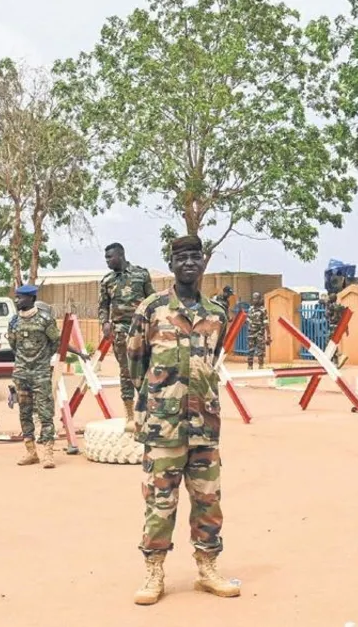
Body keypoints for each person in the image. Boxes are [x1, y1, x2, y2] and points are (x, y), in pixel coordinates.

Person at [125, 234, 240, 606]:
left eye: (195, 257)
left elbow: (212, 360)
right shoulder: (152, 308)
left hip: (204, 424)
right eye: (182, 258)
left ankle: (207, 568)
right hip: (163, 427)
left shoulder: (216, 313)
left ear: (203, 262)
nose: (189, 263)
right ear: (171, 264)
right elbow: (135, 361)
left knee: (208, 500)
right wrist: (157, 398)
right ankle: (154, 571)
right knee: (160, 502)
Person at [99, 242, 155, 418]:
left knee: (146, 368)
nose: (107, 261)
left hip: (142, 328)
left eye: (110, 257)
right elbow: (103, 305)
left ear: (120, 255)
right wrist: (104, 323)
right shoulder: (107, 280)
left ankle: (147, 408)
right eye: (106, 258)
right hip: (120, 330)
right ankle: (130, 413)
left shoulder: (141, 275)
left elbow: (152, 300)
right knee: (126, 371)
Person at [8, 284, 61, 469]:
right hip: (21, 373)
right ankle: (31, 452)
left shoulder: (45, 319)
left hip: (41, 373)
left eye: (20, 297)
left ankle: (48, 453)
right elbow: (13, 345)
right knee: (25, 413)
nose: (17, 300)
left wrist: (42, 359)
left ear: (31, 298)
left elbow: (55, 342)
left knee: (45, 413)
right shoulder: (14, 321)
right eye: (16, 297)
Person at [246, 291, 270, 370]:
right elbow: (248, 320)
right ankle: (250, 366)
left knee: (260, 351)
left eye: (256, 298)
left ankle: (261, 366)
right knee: (250, 351)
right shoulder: (250, 309)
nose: (254, 300)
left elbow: (266, 323)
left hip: (259, 333)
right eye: (253, 298)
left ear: (260, 299)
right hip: (251, 333)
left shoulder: (263, 310)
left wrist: (268, 335)